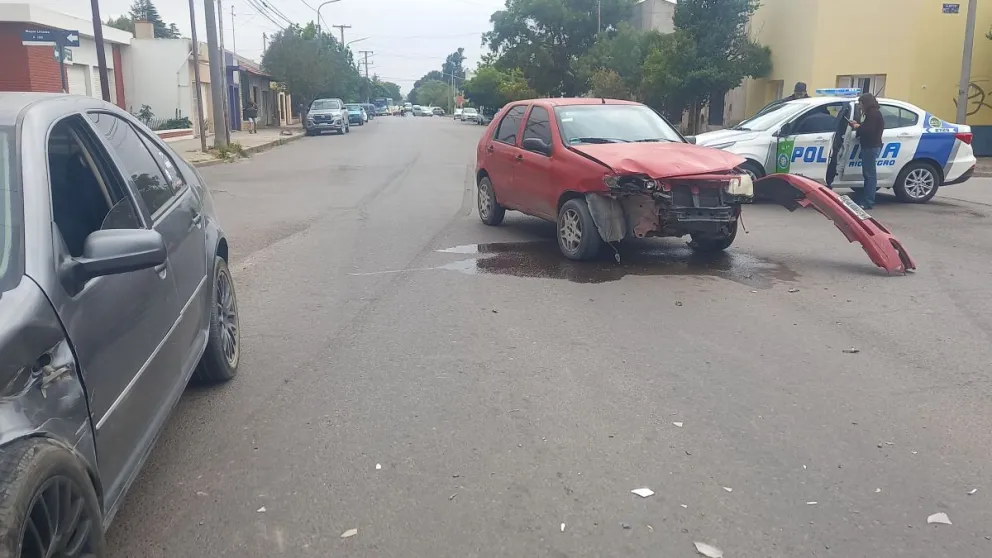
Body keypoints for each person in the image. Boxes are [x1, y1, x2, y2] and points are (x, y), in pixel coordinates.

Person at [848, 93, 884, 209]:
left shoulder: (873, 115)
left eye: (861, 104)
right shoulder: (872, 114)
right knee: (868, 174)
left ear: (866, 103)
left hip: (870, 147)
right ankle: (866, 199)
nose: (860, 106)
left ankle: (868, 201)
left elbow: (869, 131)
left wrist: (858, 126)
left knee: (870, 175)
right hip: (870, 146)